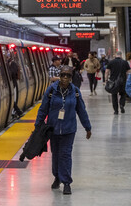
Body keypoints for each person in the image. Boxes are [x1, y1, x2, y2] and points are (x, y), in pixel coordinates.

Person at [35, 65, 92, 195]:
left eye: (68, 76)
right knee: (55, 154)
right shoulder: (51, 91)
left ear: (71, 77)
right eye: (63, 75)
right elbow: (43, 109)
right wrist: (38, 125)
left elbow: (81, 111)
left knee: (65, 154)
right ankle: (57, 177)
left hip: (69, 129)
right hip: (53, 129)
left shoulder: (75, 92)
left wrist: (87, 127)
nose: (65, 78)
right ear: (59, 76)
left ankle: (66, 182)